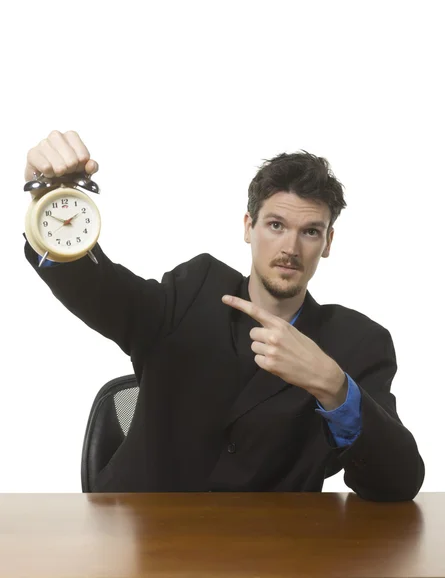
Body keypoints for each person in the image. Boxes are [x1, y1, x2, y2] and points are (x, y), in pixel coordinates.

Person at [24, 130, 424, 500]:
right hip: (139, 542)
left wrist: (335, 387)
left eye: (310, 231)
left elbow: (397, 483)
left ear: (328, 242)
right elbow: (101, 290)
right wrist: (48, 207)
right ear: (249, 227)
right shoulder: (193, 289)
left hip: (270, 556)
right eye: (275, 224)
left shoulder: (357, 342)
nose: (290, 247)